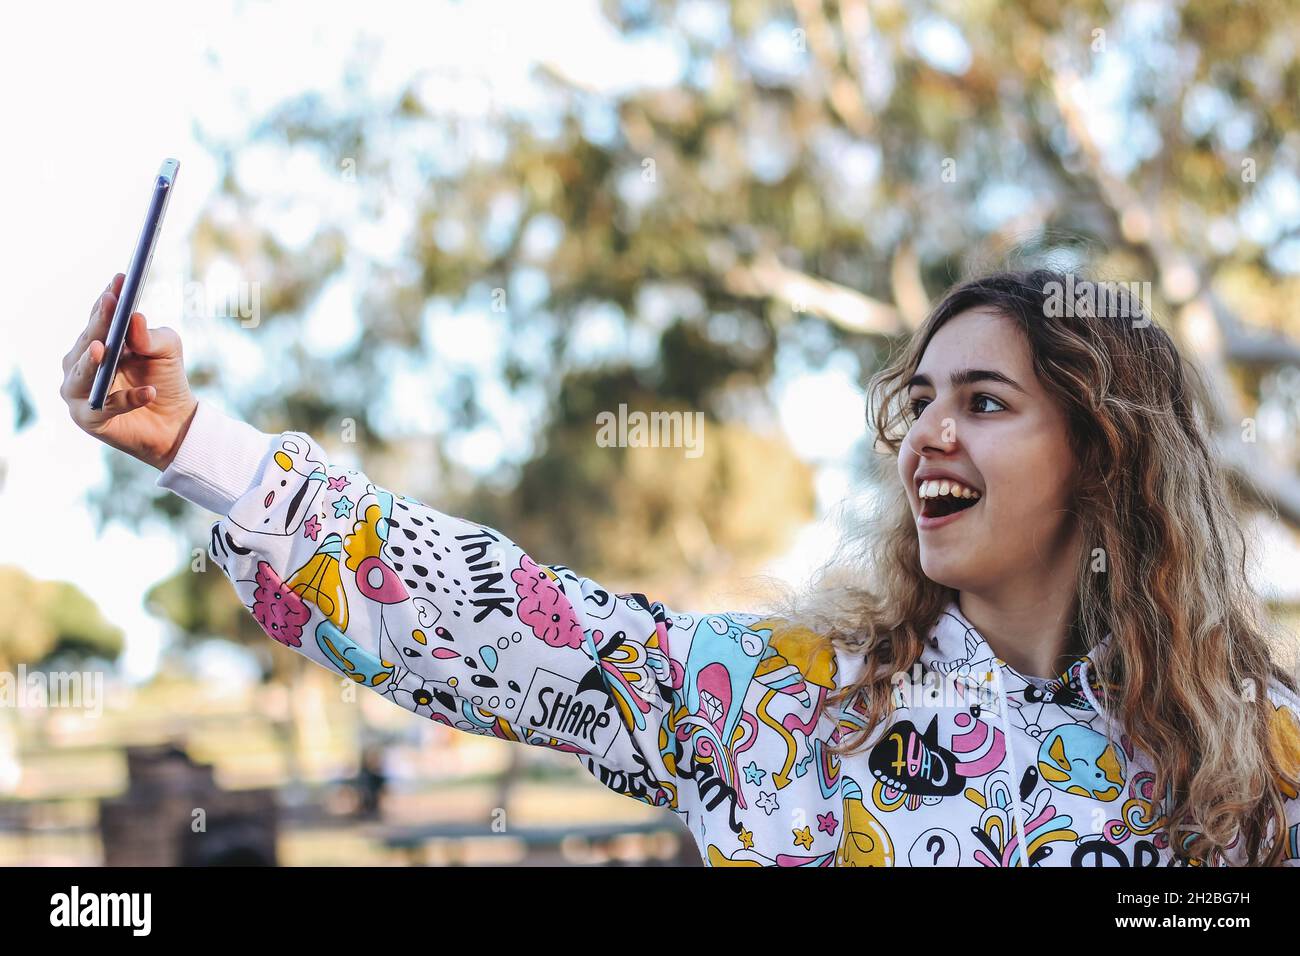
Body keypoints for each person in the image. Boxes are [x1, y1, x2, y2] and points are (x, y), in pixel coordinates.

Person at [62, 268, 1300, 867]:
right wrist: (196, 445)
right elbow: (502, 626)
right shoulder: (777, 701)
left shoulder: (1258, 762)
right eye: (917, 398)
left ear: (1100, 455)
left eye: (983, 401)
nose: (927, 431)